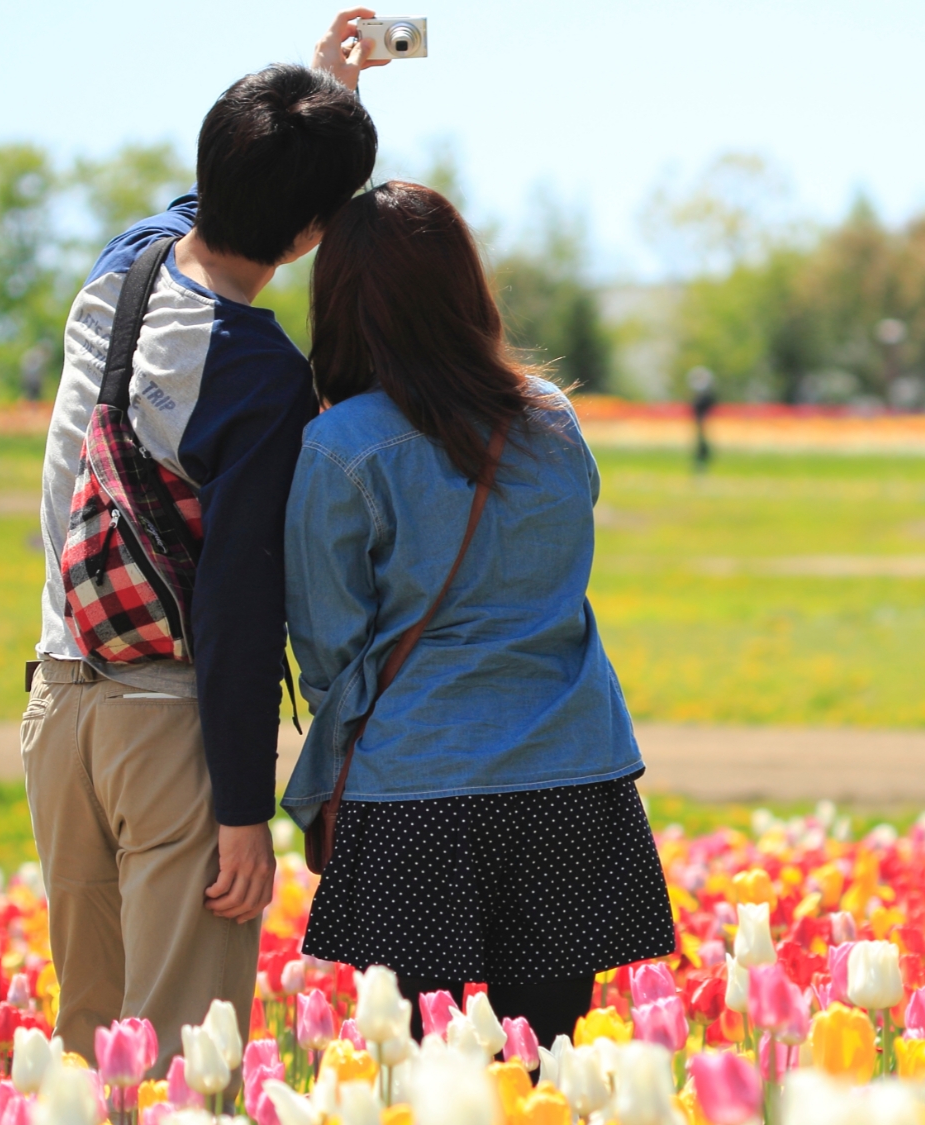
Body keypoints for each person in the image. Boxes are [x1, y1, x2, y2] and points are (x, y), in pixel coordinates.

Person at [20, 12, 384, 1072]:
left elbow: (224, 209)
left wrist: (320, 95)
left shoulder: (118, 271)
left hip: (57, 702)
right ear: (314, 231)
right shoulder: (259, 376)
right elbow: (236, 607)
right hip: (163, 721)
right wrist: (240, 808)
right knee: (181, 1054)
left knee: (90, 1049)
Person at [281, 181, 675, 1047]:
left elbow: (330, 654)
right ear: (468, 287)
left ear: (342, 302)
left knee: (428, 1069)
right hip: (572, 777)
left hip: (419, 787)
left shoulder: (341, 446)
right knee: (545, 1064)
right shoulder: (553, 420)